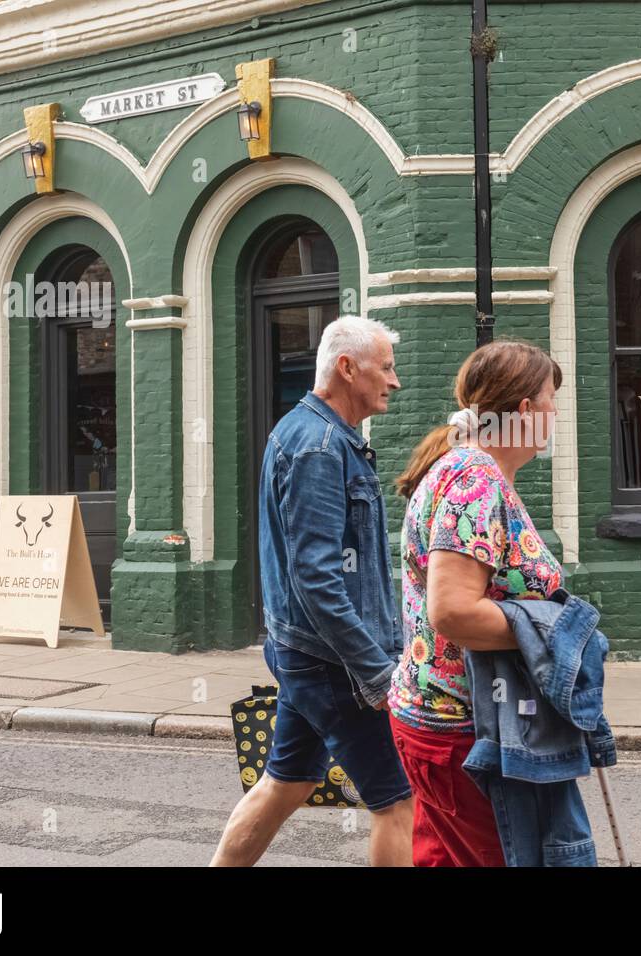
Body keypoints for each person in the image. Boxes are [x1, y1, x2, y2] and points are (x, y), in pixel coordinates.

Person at [211, 315, 414, 867]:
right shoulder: (320, 448)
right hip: (332, 662)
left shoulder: (312, 434)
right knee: (398, 803)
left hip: (311, 653)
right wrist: (375, 669)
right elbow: (316, 579)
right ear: (347, 369)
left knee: (288, 783)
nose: (394, 382)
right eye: (386, 368)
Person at [388, 339, 564, 866]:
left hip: (438, 722)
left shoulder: (464, 467)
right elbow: (453, 611)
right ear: (528, 411)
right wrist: (555, 629)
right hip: (464, 731)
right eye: (553, 400)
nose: (557, 414)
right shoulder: (475, 478)